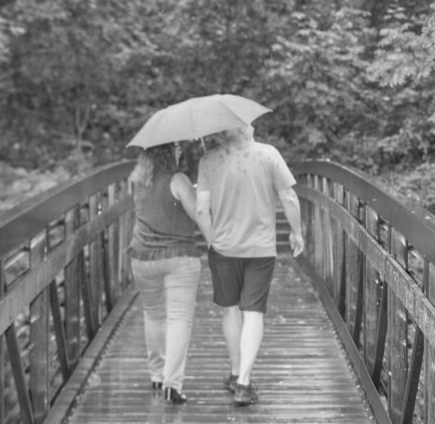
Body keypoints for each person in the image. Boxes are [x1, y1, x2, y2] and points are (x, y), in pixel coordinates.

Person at [195, 125, 304, 407]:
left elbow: (200, 210)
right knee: (253, 312)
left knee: (231, 310)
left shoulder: (208, 160)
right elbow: (289, 196)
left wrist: (212, 241)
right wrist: (296, 232)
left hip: (223, 249)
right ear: (245, 130)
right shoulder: (268, 155)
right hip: (260, 248)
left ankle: (234, 373)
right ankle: (243, 382)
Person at [129, 142, 203, 404]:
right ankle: (172, 384)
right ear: (167, 152)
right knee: (179, 319)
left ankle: (157, 374)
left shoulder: (137, 181)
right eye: (177, 148)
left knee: (154, 314)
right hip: (177, 257)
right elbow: (196, 214)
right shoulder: (178, 180)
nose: (181, 152)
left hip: (142, 256)